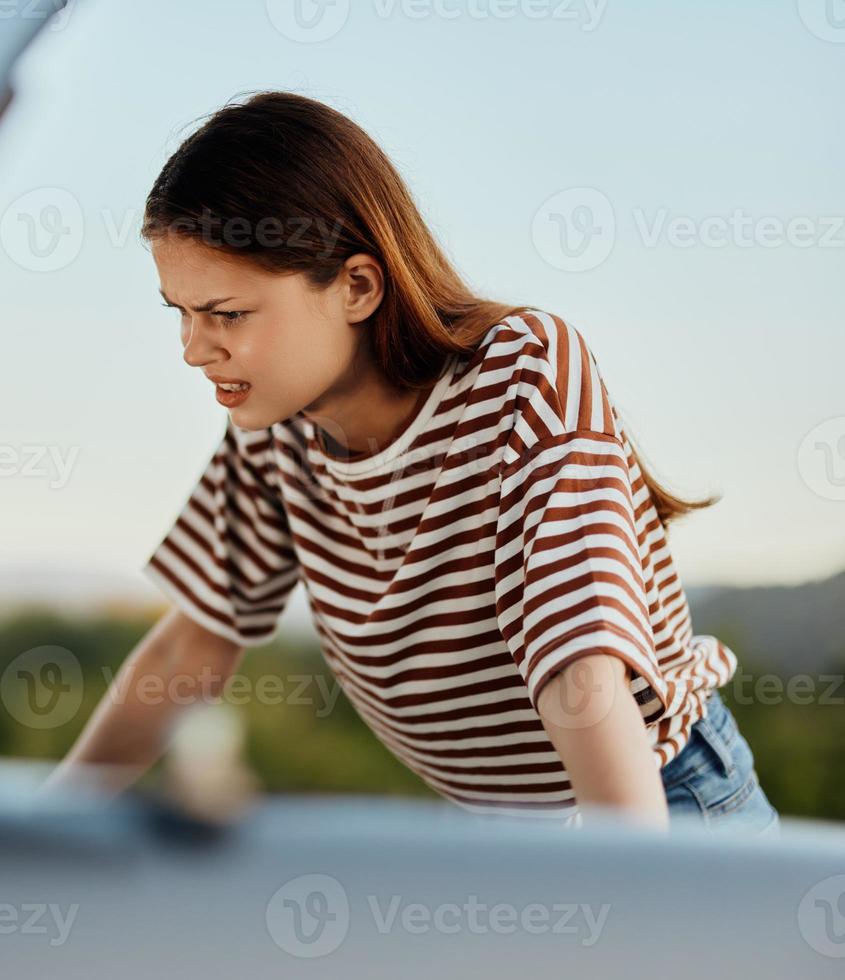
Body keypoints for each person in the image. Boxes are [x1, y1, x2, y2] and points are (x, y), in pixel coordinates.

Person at [44, 91, 780, 837]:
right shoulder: (272, 429)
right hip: (511, 832)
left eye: (227, 315)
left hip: (660, 808)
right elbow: (189, 644)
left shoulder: (523, 374)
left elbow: (580, 676)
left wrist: (625, 890)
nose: (194, 349)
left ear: (357, 287)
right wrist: (46, 826)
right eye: (181, 312)